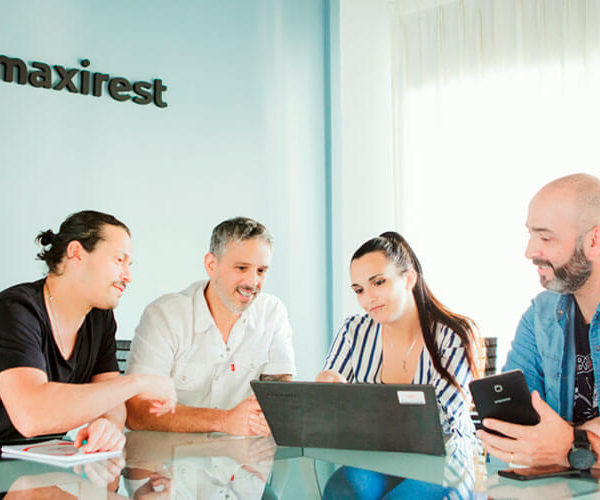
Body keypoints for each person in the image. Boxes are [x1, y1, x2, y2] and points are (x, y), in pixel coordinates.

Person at [0, 211, 177, 452]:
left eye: (129, 265)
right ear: (76, 253)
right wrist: (138, 383)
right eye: (119, 260)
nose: (128, 277)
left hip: (44, 459)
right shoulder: (15, 310)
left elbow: (112, 402)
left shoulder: (99, 317)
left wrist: (108, 425)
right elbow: (31, 416)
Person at [125, 217, 295, 435]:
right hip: (169, 452)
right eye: (241, 268)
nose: (252, 282)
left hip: (243, 452)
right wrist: (224, 421)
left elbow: (280, 398)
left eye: (261, 271)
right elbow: (137, 411)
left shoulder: (272, 312)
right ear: (211, 265)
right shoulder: (164, 315)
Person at [479, 174, 600, 468]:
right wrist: (586, 439)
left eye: (545, 238)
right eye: (531, 235)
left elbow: (544, 442)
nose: (530, 252)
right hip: (559, 485)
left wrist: (571, 445)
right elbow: (513, 426)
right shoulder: (540, 314)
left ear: (594, 241)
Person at [317, 231, 480, 438]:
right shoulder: (354, 331)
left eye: (379, 282)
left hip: (446, 456)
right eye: (359, 290)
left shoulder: (452, 335)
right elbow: (327, 416)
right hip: (373, 455)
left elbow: (442, 423)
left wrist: (356, 407)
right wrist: (324, 393)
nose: (368, 298)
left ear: (409, 279)